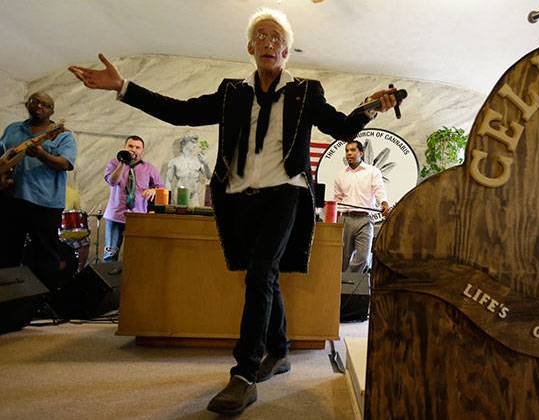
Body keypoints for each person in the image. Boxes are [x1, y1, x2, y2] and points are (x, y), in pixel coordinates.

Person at [69, 7, 398, 415]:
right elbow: (181, 112)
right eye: (262, 35)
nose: (269, 43)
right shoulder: (232, 92)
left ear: (287, 52)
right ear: (249, 47)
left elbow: (342, 129)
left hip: (286, 194)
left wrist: (370, 109)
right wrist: (124, 87)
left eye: (277, 39)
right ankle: (278, 352)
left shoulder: (306, 92)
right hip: (240, 199)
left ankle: (243, 373)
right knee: (264, 276)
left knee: (261, 273)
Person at [0, 92, 77, 290]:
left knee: (45, 256)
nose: (39, 107)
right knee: (7, 253)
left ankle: (43, 301)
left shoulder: (63, 135)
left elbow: (66, 164)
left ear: (52, 110)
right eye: (34, 102)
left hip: (45, 203)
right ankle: (8, 302)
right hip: (12, 200)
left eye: (45, 104)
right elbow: (3, 159)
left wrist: (42, 154)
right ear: (27, 104)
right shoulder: (12, 129)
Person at [102, 135, 163, 261]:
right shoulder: (114, 163)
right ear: (125, 147)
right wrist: (122, 163)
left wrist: (153, 190)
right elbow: (112, 181)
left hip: (138, 217)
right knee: (110, 255)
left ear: (142, 150)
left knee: (136, 256)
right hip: (115, 216)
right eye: (130, 146)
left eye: (137, 147)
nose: (134, 149)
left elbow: (161, 189)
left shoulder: (149, 168)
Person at [334, 139, 390, 272]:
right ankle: (341, 288)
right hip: (345, 219)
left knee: (363, 258)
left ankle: (349, 282)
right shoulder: (340, 175)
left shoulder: (372, 171)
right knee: (343, 258)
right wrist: (334, 220)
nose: (349, 153)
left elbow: (379, 190)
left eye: (353, 150)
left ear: (361, 153)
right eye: (347, 151)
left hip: (365, 220)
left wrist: (384, 203)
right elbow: (337, 199)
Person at [164, 134, 211, 206]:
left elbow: (209, 176)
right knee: (180, 216)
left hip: (194, 195)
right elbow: (168, 181)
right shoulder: (174, 161)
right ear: (184, 143)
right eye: (192, 142)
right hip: (179, 194)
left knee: (195, 216)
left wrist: (206, 164)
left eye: (196, 142)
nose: (195, 144)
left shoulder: (198, 160)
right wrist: (167, 200)